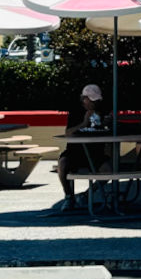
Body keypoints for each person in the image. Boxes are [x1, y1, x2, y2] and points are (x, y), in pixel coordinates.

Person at [55, 84, 104, 214]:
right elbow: (68, 133)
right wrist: (83, 123)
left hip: (95, 152)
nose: (93, 103)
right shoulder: (75, 113)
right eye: (90, 100)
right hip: (75, 152)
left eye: (95, 100)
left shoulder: (101, 112)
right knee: (62, 163)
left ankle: (86, 195)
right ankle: (68, 196)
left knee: (109, 170)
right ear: (83, 99)